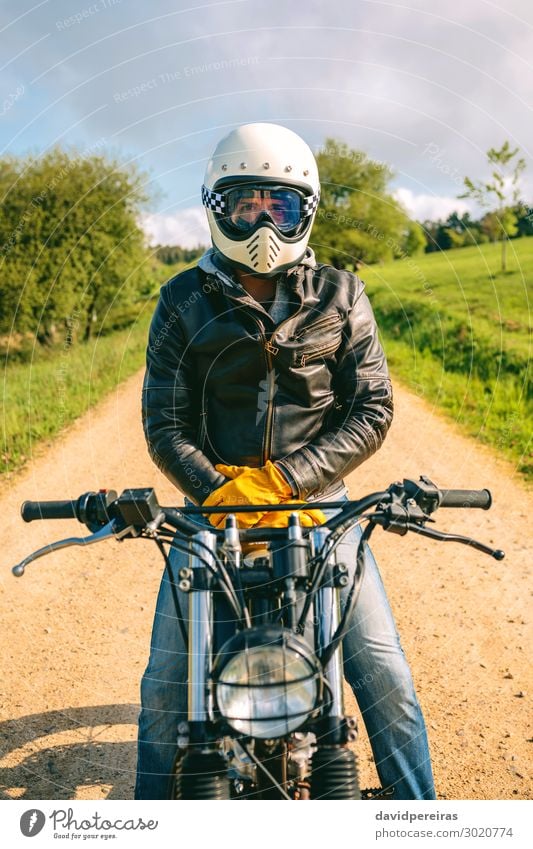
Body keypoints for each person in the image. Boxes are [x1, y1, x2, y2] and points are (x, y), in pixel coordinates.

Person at [136, 122, 436, 800]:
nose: (263, 223)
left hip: (320, 503)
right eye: (247, 205)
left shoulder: (341, 294)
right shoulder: (181, 300)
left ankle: (423, 821)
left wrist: (284, 479)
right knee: (163, 686)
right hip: (212, 507)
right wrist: (218, 489)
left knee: (384, 674)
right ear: (216, 206)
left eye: (282, 206)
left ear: (308, 209)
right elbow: (165, 421)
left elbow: (372, 408)